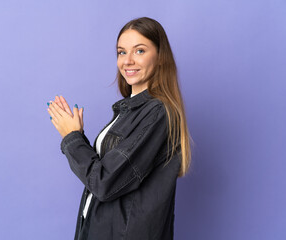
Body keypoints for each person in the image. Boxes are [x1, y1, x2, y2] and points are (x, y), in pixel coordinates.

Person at [47, 17, 192, 240]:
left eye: (140, 51)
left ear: (161, 57)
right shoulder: (130, 110)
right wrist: (76, 136)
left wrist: (72, 138)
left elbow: (104, 182)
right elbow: (110, 173)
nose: (128, 61)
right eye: (121, 52)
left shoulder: (157, 113)